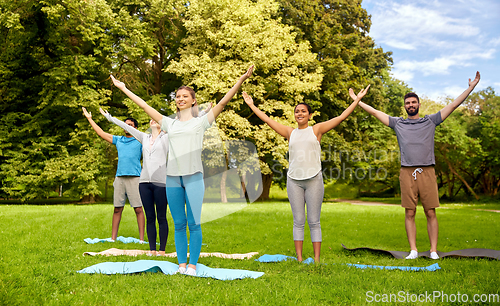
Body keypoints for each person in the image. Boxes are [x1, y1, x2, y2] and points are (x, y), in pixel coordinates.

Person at [110, 65, 254, 276]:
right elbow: (143, 105)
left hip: (194, 178)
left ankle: (193, 265)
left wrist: (241, 79)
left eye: (185, 96)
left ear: (193, 100)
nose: (180, 99)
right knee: (179, 224)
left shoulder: (201, 122)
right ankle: (181, 264)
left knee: (194, 224)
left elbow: (223, 101)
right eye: (178, 96)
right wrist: (123, 88)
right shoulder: (169, 124)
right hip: (172, 180)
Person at [353, 72, 480, 259]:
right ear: (404, 107)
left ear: (418, 104)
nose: (410, 105)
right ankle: (413, 250)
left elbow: (453, 105)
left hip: (427, 171)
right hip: (407, 172)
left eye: (413, 102)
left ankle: (433, 250)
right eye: (407, 103)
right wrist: (357, 101)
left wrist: (471, 88)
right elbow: (374, 112)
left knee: (430, 211)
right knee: (410, 212)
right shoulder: (398, 124)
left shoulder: (431, 121)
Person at [243, 86, 370, 263]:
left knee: (314, 221)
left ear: (309, 115)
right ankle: (300, 259)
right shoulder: (290, 133)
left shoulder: (316, 130)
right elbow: (267, 120)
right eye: (297, 111)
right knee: (298, 221)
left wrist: (357, 100)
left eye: (303, 111)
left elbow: (341, 117)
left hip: (314, 180)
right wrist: (252, 105)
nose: (299, 113)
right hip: (294, 181)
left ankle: (317, 259)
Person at [100, 109, 169, 256]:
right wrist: (109, 117)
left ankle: (162, 250)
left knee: (161, 217)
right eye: (151, 120)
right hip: (144, 182)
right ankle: (152, 250)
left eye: (156, 120)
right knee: (150, 216)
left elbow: (182, 127)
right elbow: (126, 127)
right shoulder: (143, 137)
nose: (153, 121)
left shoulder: (166, 138)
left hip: (160, 183)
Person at [82, 107, 145, 242]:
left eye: (130, 125)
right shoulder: (119, 140)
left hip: (135, 178)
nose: (127, 127)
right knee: (117, 209)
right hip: (120, 178)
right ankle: (113, 238)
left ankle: (141, 240)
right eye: (125, 125)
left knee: (138, 209)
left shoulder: (140, 140)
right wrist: (89, 119)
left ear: (135, 128)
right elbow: (101, 133)